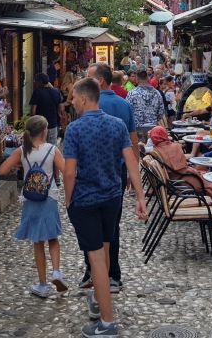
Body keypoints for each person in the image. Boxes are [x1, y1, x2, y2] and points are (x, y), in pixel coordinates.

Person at [64, 77, 148, 337]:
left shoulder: (74, 130)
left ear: (85, 98)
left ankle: (107, 322)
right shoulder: (117, 125)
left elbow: (69, 172)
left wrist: (68, 200)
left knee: (97, 260)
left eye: (73, 97)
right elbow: (131, 161)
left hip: (87, 200)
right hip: (112, 198)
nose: (72, 101)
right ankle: (102, 299)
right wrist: (141, 197)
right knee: (106, 250)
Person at [79, 63, 138, 293]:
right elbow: (133, 142)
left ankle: (92, 271)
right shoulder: (124, 105)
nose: (85, 79)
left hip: (91, 173)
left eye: (88, 76)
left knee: (90, 225)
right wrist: (135, 173)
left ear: (100, 81)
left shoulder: (86, 104)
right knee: (112, 226)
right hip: (118, 173)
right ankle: (113, 275)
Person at [0, 115, 69, 295]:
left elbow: (2, 170)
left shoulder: (22, 151)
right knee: (53, 237)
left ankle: (43, 285)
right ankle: (57, 271)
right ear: (45, 132)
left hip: (30, 199)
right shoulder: (52, 150)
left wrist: (21, 166)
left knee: (38, 241)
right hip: (49, 197)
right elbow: (66, 171)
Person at [148, 126, 212, 211]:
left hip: (172, 181)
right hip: (184, 181)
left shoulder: (155, 151)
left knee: (203, 174)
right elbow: (182, 168)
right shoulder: (175, 147)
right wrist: (195, 171)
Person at [29, 73, 65, 145]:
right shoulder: (56, 91)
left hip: (40, 126)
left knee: (39, 146)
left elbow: (33, 111)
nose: (34, 83)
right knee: (51, 148)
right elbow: (61, 109)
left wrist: (31, 123)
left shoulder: (37, 92)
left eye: (36, 81)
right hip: (53, 125)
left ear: (40, 82)